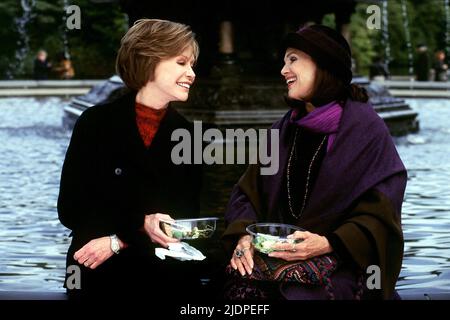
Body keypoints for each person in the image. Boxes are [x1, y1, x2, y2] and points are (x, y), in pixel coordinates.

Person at [222, 25, 407, 300]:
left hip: (343, 263)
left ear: (324, 65)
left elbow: (381, 212)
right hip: (277, 258)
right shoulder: (282, 130)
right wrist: (244, 236)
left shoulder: (367, 130)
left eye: (293, 59)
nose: (283, 70)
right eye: (284, 61)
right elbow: (247, 194)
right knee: (236, 291)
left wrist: (329, 243)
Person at [58, 19, 209, 299]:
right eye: (181, 63)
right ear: (148, 61)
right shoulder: (94, 123)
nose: (191, 74)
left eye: (192, 65)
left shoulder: (190, 135)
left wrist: (120, 239)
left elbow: (183, 217)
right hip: (97, 264)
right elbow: (71, 209)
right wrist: (140, 225)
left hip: (164, 266)